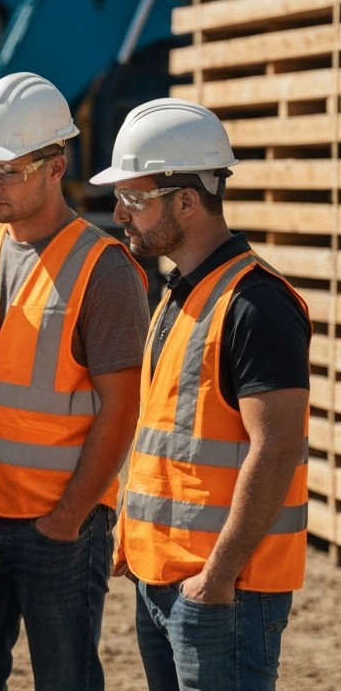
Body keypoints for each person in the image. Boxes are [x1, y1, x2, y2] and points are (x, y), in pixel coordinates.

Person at [0, 72, 149, 691]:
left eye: (8, 171)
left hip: (58, 525)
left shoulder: (105, 270)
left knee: (66, 678)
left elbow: (121, 412)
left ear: (56, 166)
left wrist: (68, 519)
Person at [92, 98, 310, 691]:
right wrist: (135, 543)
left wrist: (217, 577)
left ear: (187, 200)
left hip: (225, 593)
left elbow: (278, 448)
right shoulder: (179, 293)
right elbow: (167, 438)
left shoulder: (256, 304)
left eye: (135, 199)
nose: (119, 213)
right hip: (162, 579)